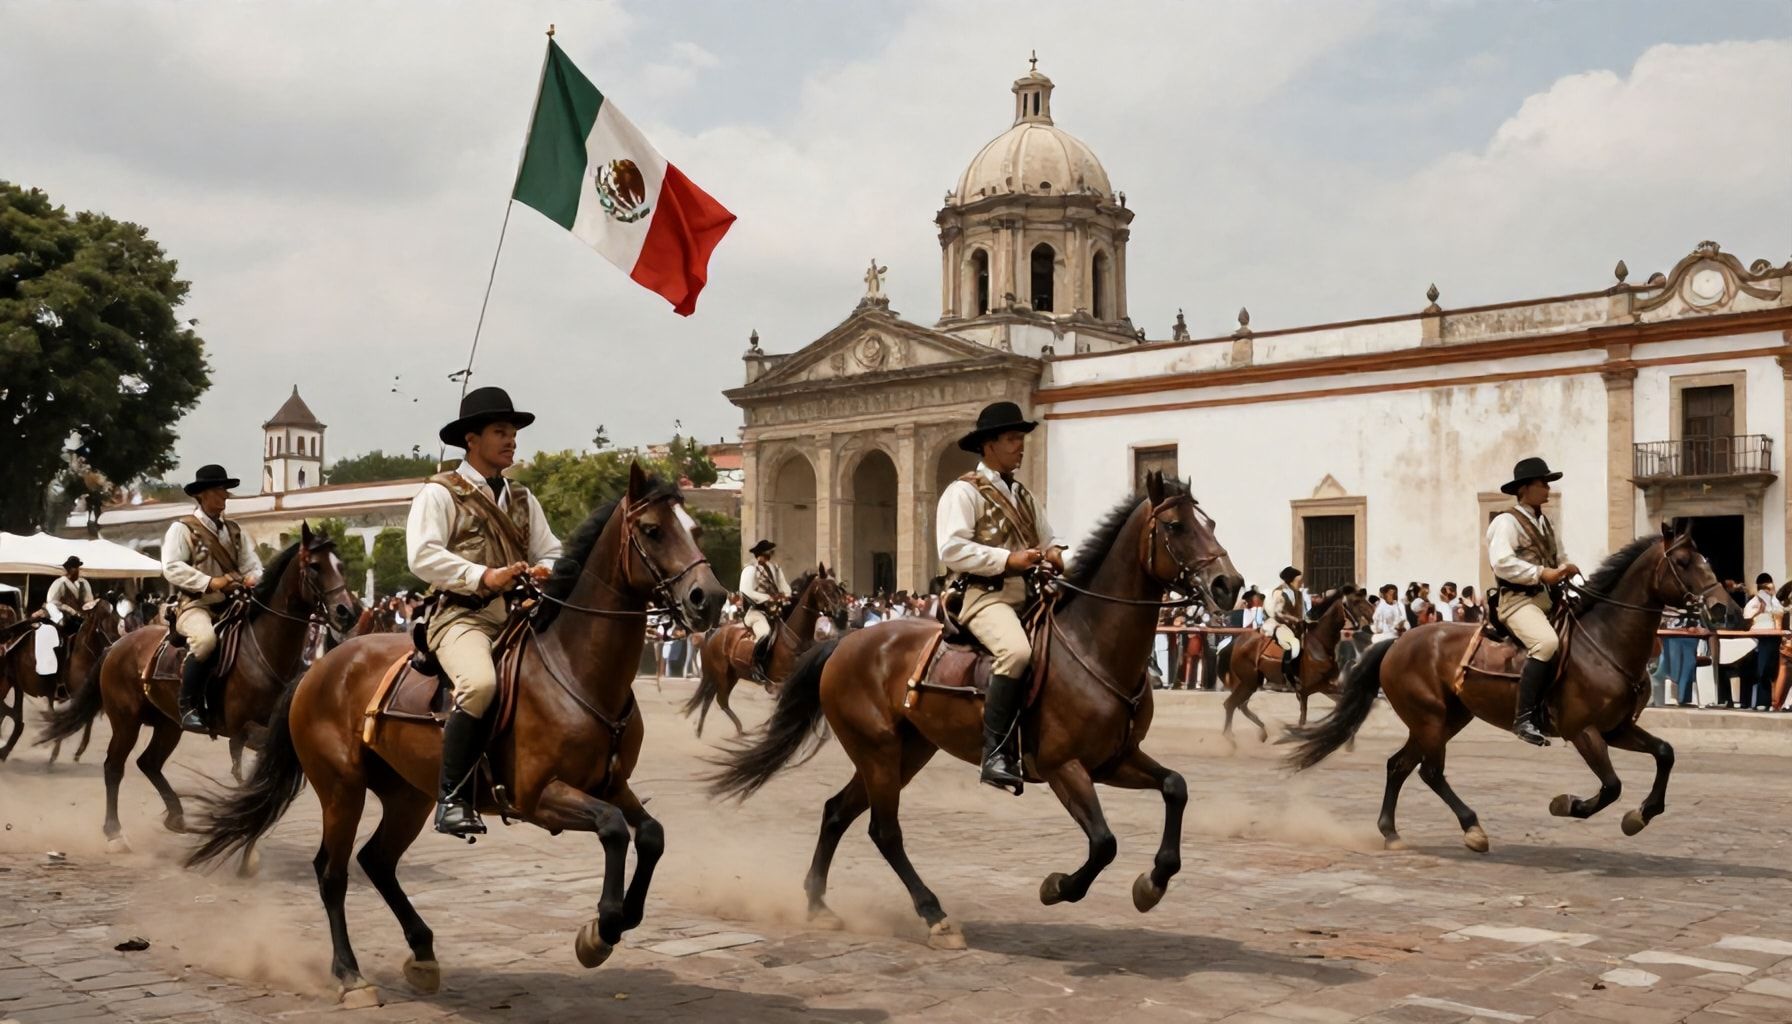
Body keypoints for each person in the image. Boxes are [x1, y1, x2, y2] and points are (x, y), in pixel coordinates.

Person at [407, 387, 562, 837]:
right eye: (501, 432)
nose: (511, 440)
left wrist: (544, 568)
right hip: (462, 616)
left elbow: (552, 549)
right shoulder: (439, 494)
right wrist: (483, 576)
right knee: (479, 685)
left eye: (513, 432)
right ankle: (452, 797)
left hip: (517, 615)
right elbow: (422, 555)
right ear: (471, 439)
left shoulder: (523, 498)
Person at [937, 400, 1064, 793]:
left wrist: (1060, 555)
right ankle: (995, 753)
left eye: (1021, 439)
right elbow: (951, 550)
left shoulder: (1024, 496)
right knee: (1017, 652)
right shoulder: (963, 492)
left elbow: (1049, 541)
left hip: (1031, 595)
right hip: (984, 595)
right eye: (1012, 439)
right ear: (988, 445)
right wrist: (1008, 559)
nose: (1020, 447)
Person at [162, 464, 265, 733]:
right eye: (219, 490)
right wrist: (209, 582)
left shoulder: (234, 531)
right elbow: (171, 567)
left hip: (233, 604)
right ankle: (188, 707)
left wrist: (255, 577)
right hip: (196, 605)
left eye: (225, 491)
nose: (225, 496)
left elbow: (252, 564)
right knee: (206, 641)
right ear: (203, 495)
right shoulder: (182, 529)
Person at [1486, 456, 1580, 747]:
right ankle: (1524, 718)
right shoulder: (1505, 521)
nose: (1548, 489)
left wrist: (1566, 568)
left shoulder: (1545, 522)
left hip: (1549, 601)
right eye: (1543, 483)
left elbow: (1558, 556)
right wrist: (1541, 573)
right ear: (1525, 488)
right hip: (1517, 601)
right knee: (1546, 643)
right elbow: (1501, 562)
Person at [738, 539, 790, 679]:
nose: (769, 555)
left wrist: (785, 595)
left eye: (770, 552)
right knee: (766, 633)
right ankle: (756, 665)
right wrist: (768, 598)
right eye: (767, 552)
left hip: (775, 611)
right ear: (760, 554)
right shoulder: (750, 569)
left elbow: (784, 586)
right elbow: (746, 591)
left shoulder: (776, 569)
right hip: (757, 612)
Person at [1740, 573, 1782, 710]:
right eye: (1763, 587)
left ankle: (1765, 702)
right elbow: (1746, 619)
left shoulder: (1775, 602)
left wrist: (1772, 597)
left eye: (1768, 587)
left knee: (1766, 669)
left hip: (1770, 638)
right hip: (1754, 639)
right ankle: (1746, 701)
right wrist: (1759, 610)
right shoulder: (1753, 603)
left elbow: (1779, 615)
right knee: (1750, 668)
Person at [1263, 566, 1305, 683]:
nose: (1301, 583)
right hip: (1280, 625)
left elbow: (1301, 612)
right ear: (1291, 580)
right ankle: (1286, 674)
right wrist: (1294, 620)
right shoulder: (1279, 593)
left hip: (1296, 626)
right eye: (1299, 581)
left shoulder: (1299, 594)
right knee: (1293, 644)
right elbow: (1278, 613)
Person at [44, 556, 94, 637]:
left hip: (82, 618)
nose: (78, 571)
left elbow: (89, 600)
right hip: (66, 619)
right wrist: (68, 609)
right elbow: (51, 602)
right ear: (71, 569)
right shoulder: (60, 583)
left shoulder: (83, 583)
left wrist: (88, 607)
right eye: (76, 568)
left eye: (78, 568)